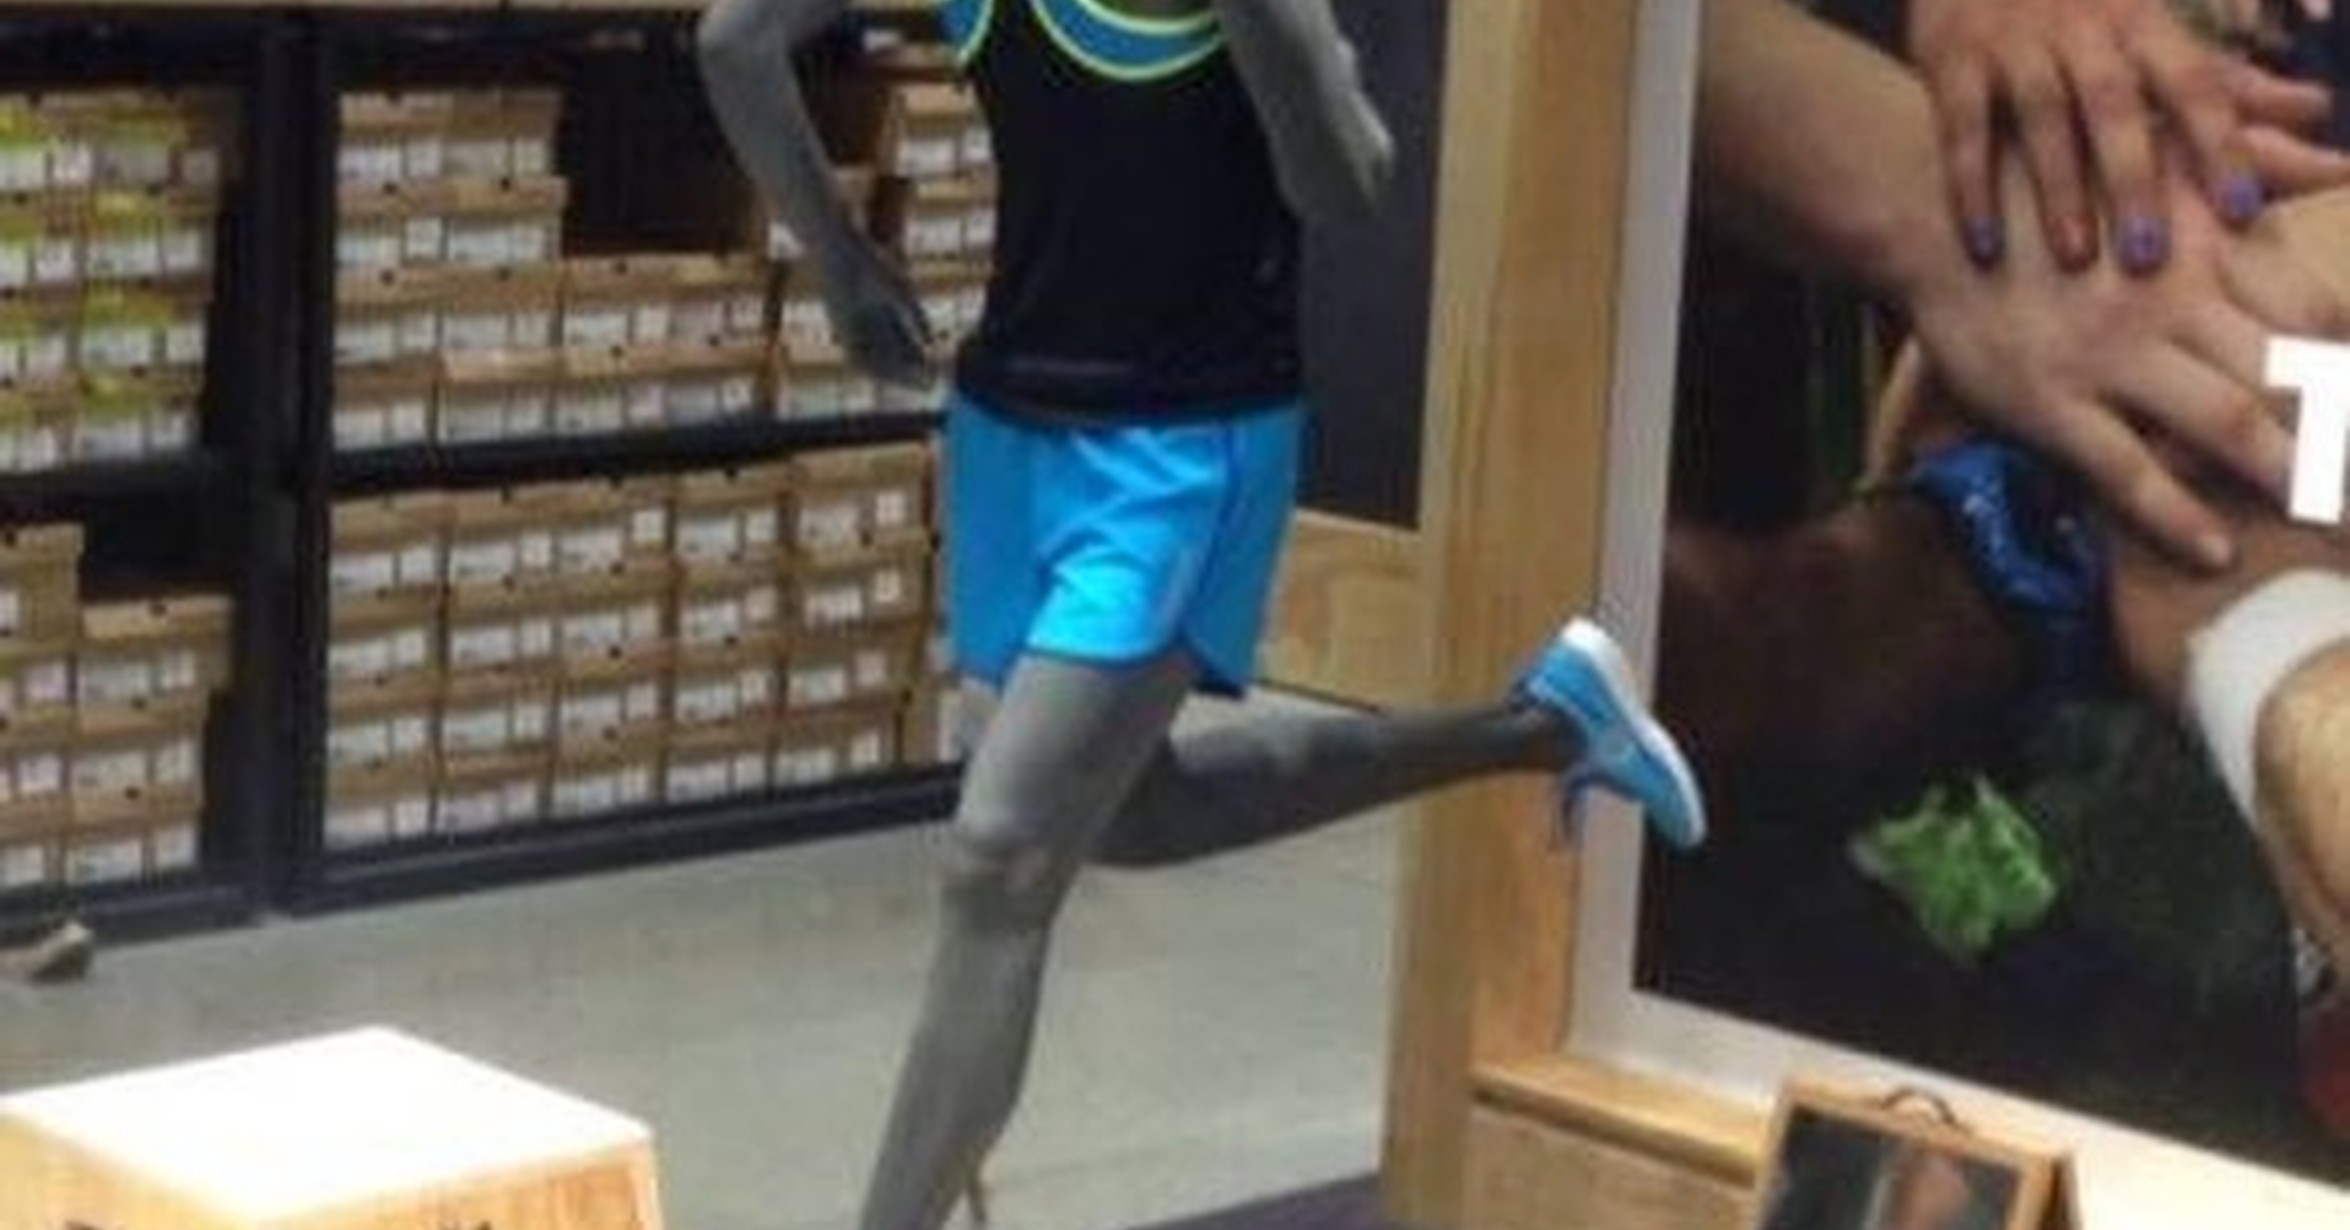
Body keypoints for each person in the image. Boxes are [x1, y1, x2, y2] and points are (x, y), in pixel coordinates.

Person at [695, 3, 1707, 1228]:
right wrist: (841, 261)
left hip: (1184, 447)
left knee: (999, 855)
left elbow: (1348, 185)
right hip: (1009, 427)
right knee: (1129, 815)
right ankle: (1544, 725)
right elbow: (735, 39)